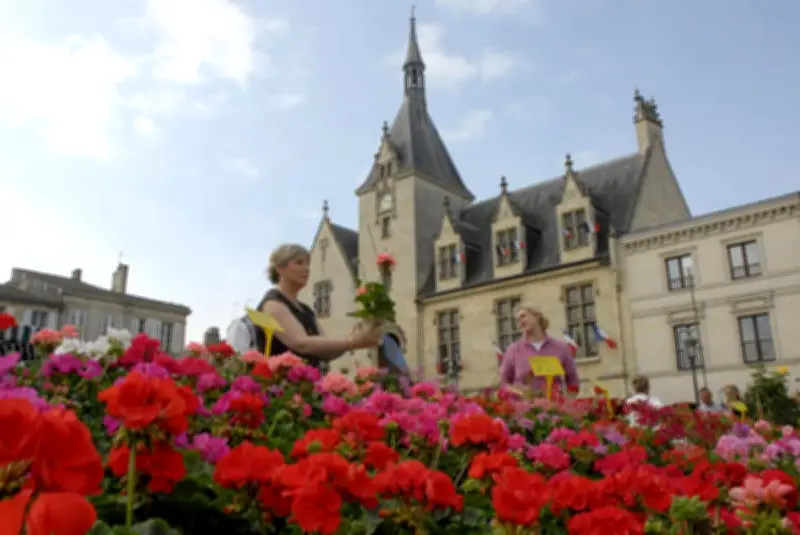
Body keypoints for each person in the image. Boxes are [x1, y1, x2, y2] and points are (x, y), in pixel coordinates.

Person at [227, 244, 383, 370]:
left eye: (308, 264)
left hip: (307, 387)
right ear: (280, 268)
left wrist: (353, 340)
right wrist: (351, 342)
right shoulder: (273, 303)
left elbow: (325, 351)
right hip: (282, 389)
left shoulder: (306, 310)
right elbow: (300, 343)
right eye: (299, 263)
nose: (307, 269)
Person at [499, 305, 579, 392]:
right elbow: (503, 383)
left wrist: (568, 403)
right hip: (523, 404)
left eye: (523, 316)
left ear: (537, 316)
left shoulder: (561, 347)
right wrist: (519, 392)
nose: (520, 322)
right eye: (518, 320)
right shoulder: (513, 350)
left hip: (554, 404)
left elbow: (573, 381)